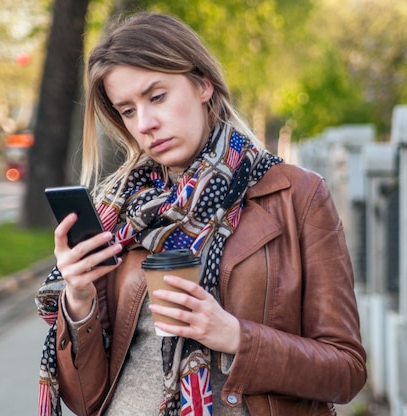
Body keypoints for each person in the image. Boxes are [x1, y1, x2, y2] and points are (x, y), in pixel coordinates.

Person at [36, 11, 366, 416]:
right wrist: (79, 297)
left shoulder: (295, 194)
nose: (146, 124)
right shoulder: (119, 210)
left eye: (157, 97)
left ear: (203, 84)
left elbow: (346, 370)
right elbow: (85, 399)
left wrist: (236, 337)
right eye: (127, 110)